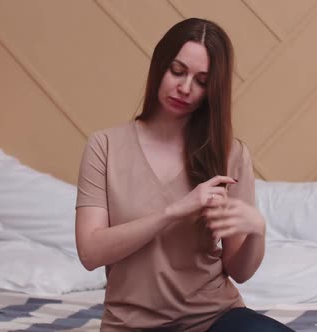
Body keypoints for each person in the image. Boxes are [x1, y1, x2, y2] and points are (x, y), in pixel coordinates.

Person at [75, 17, 294, 332]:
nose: (185, 88)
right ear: (159, 66)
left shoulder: (230, 154)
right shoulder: (105, 147)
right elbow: (90, 252)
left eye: (202, 81)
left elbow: (240, 270)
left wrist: (258, 230)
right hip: (132, 325)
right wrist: (175, 211)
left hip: (213, 318)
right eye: (177, 71)